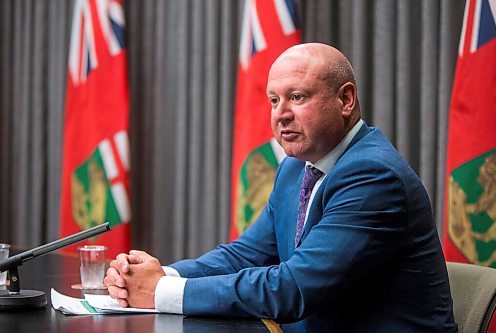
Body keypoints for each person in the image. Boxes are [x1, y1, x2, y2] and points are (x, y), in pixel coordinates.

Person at [105, 43, 457, 332]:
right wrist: (159, 274)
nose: (280, 114)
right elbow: (245, 255)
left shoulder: (373, 176)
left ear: (345, 100)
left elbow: (293, 289)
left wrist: (161, 292)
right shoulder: (294, 168)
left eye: (298, 97)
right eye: (274, 100)